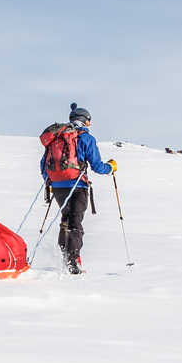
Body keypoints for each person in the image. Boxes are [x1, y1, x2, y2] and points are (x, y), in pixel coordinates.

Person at [44, 102, 114, 275]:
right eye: (89, 121)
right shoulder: (86, 138)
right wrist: (111, 167)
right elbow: (97, 166)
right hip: (78, 185)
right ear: (85, 121)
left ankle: (64, 251)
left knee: (66, 219)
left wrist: (51, 181)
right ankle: (73, 261)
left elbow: (43, 165)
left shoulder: (58, 137)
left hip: (58, 187)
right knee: (75, 223)